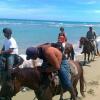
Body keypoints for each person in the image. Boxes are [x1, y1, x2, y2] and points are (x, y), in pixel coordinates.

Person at [0, 28, 19, 94]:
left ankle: (9, 79)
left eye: (4, 33)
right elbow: (4, 46)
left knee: (9, 68)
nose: (3, 34)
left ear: (8, 34)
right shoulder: (6, 39)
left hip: (12, 54)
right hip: (6, 53)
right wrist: (1, 51)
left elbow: (11, 50)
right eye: (4, 33)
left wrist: (2, 52)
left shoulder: (12, 40)